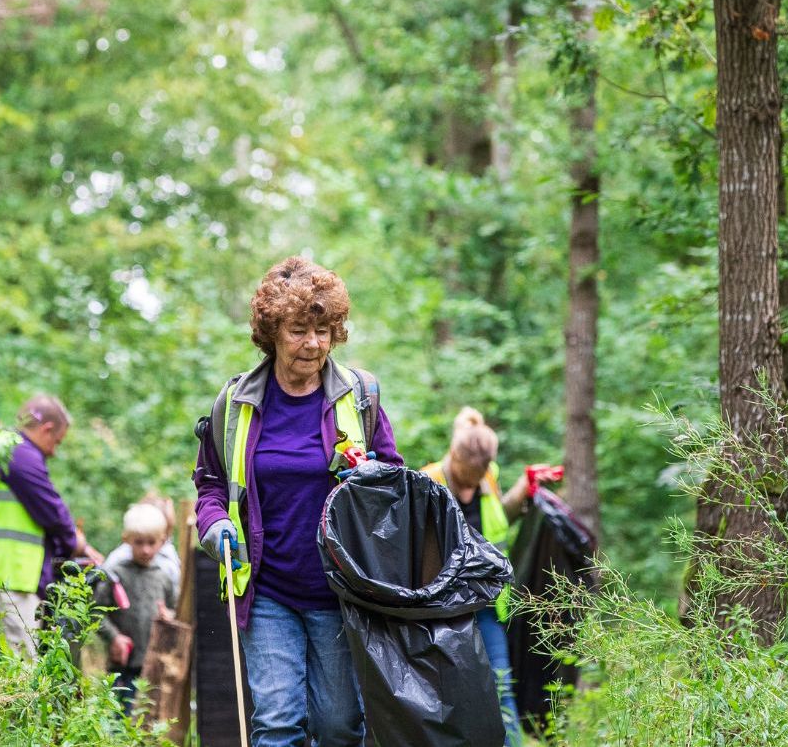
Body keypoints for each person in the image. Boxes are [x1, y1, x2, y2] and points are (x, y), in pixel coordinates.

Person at [194, 256, 402, 747]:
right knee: (277, 724)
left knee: (338, 727)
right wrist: (215, 524)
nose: (313, 343)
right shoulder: (236, 402)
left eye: (323, 329)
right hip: (267, 592)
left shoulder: (359, 395)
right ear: (272, 333)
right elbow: (211, 485)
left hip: (340, 592)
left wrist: (368, 472)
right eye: (298, 330)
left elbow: (395, 480)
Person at [419, 407, 539, 747]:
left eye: (480, 475)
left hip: (487, 606)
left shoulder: (488, 476)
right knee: (448, 697)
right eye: (468, 478)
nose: (473, 486)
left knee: (500, 686)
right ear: (454, 457)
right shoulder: (428, 482)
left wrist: (523, 490)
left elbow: (499, 518)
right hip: (442, 611)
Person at [0, 394, 105, 658]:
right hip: (9, 581)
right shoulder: (18, 452)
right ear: (46, 429)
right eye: (56, 441)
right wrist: (76, 542)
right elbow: (51, 510)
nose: (54, 451)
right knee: (20, 674)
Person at [94, 502, 181, 712]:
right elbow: (95, 611)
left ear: (162, 541)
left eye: (152, 543)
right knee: (119, 719)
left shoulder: (164, 576)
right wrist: (114, 637)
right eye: (139, 542)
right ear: (126, 540)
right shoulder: (115, 573)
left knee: (150, 720)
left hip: (154, 667)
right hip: (122, 666)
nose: (145, 549)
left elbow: (175, 611)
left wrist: (169, 617)